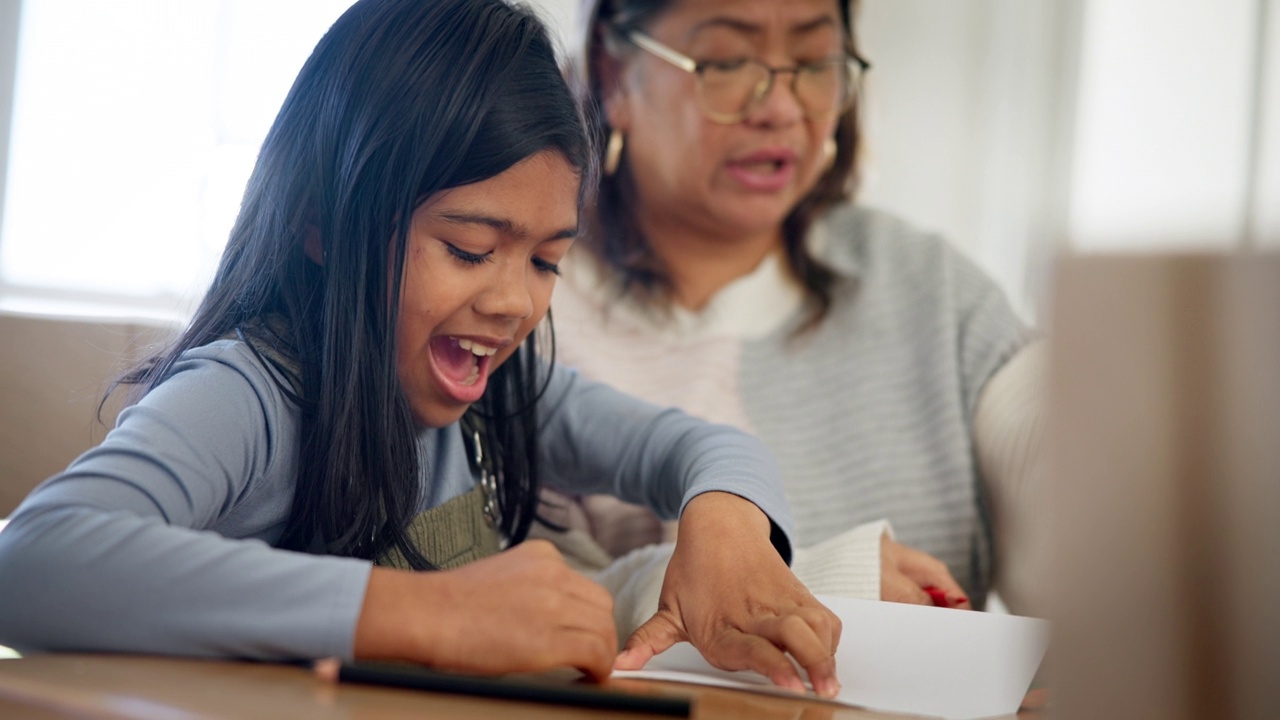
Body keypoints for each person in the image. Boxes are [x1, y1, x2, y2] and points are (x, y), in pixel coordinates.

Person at [0, 0, 844, 696]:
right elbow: (32, 559)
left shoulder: (505, 395)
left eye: (547, 259)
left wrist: (730, 523)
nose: (514, 302)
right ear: (325, 227)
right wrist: (427, 614)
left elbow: (702, 445)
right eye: (471, 249)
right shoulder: (250, 394)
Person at [542, 0, 1046, 621]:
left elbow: (1062, 468)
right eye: (727, 61)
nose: (782, 108)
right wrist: (816, 583)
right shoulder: (521, 304)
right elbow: (532, 613)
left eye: (813, 62)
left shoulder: (926, 285)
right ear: (614, 75)